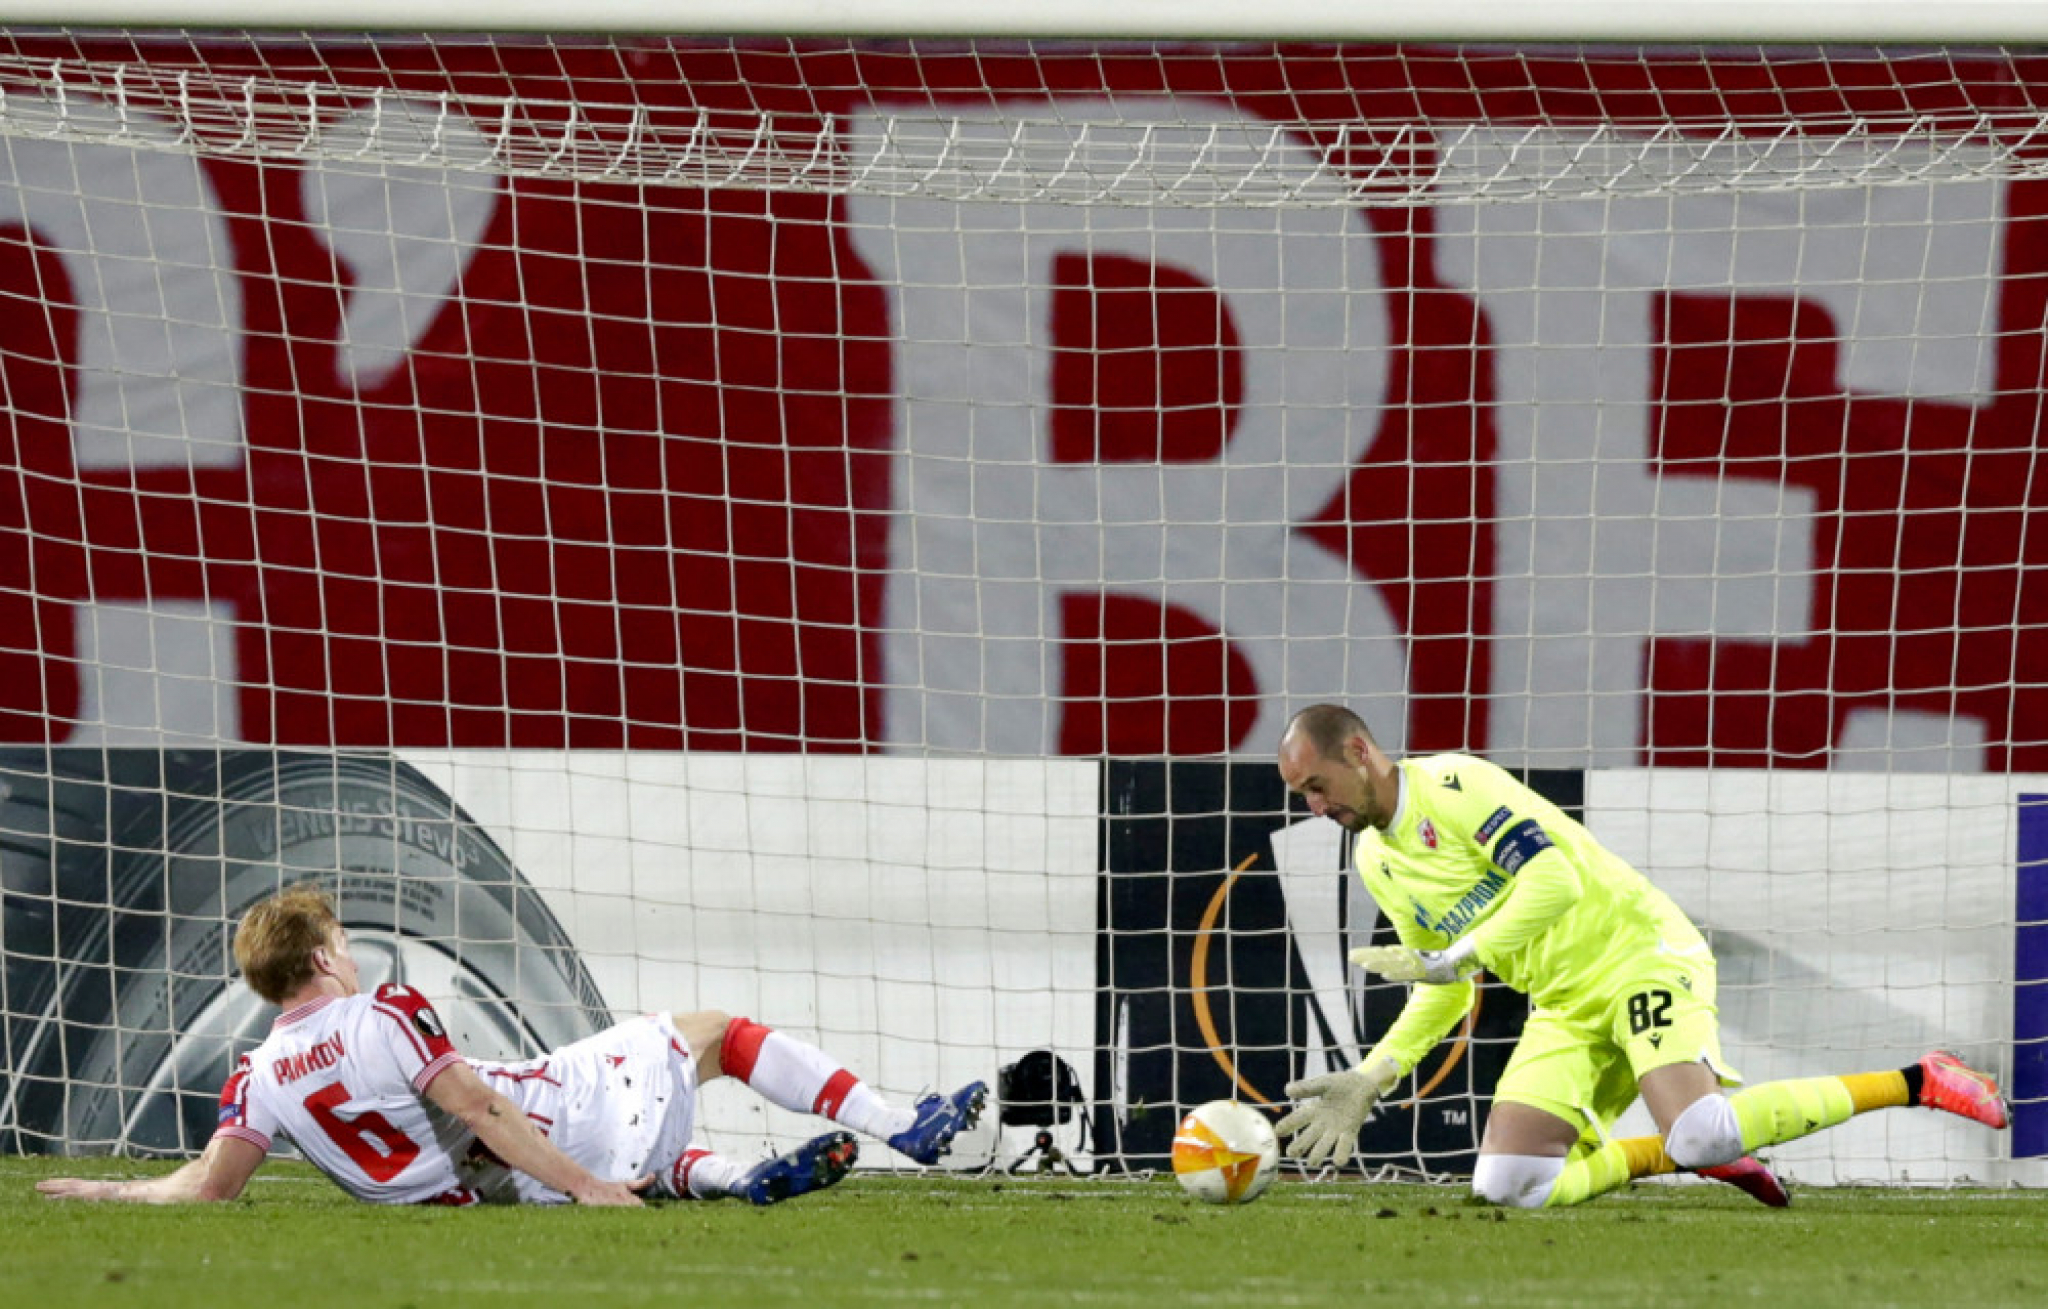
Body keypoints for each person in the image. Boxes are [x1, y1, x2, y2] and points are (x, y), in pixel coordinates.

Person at [1271, 703, 2010, 1209]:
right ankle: (1659, 1152)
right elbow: (1439, 982)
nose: (1313, 805)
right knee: (1509, 1182)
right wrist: (1373, 1076)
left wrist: (1460, 953)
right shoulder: (1376, 859)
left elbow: (1553, 878)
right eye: (1300, 793)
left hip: (1640, 956)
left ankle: (1920, 1078)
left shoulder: (1457, 786)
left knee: (1705, 1130)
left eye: (1317, 785)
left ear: (1361, 753)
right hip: (1565, 1005)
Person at [37, 885, 987, 1208]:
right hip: (540, 1117)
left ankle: (735, 1179)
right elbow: (478, 1105)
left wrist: (105, 1188)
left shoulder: (257, 1077)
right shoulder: (385, 1011)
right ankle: (907, 1123)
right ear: (326, 953)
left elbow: (208, 1186)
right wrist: (585, 1185)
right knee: (713, 1036)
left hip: (490, 1185)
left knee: (653, 1149)